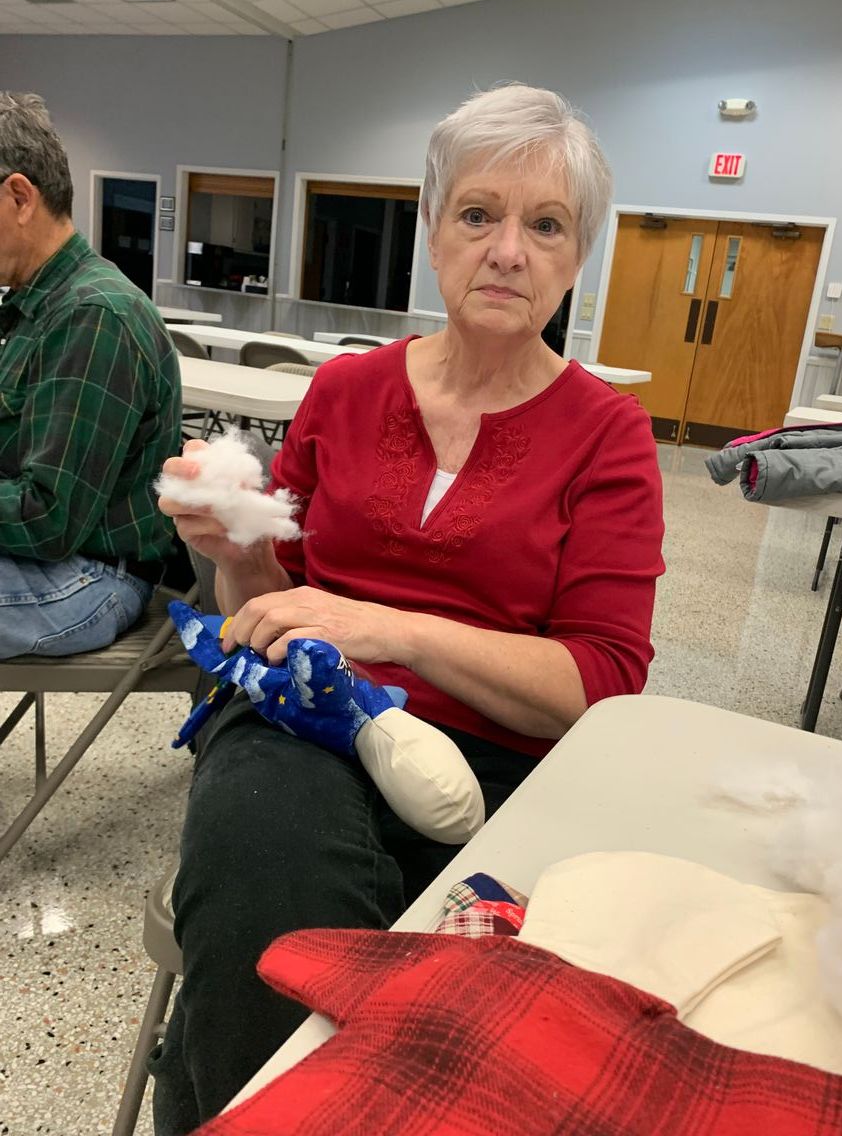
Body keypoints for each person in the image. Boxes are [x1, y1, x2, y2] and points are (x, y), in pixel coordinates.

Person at [152, 83, 665, 1133]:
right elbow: (271, 606)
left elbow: (603, 685)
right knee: (266, 864)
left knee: (456, 988)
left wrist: (392, 630)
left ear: (578, 255)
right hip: (303, 717)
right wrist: (239, 552)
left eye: (546, 225)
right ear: (434, 231)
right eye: (478, 213)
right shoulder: (344, 392)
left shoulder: (609, 436)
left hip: (499, 762)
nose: (508, 251)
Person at [0, 93, 180, 658]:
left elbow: (47, 520)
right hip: (54, 561)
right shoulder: (36, 302)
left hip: (91, 576)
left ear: (19, 197)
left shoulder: (93, 314)